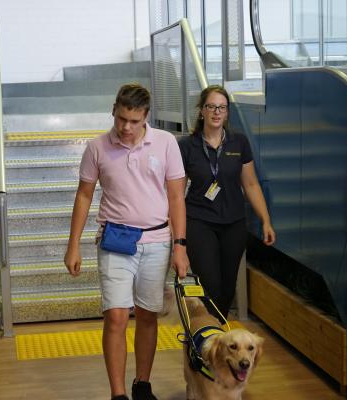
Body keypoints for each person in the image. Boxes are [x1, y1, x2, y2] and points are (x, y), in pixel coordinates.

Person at [64, 83, 189, 400]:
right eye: (121, 119)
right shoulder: (97, 147)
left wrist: (180, 246)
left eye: (134, 121)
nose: (126, 127)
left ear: (146, 116)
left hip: (158, 240)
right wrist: (73, 244)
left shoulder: (165, 144)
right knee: (117, 316)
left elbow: (176, 197)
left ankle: (142, 384)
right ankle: (118, 394)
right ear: (114, 111)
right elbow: (84, 195)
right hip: (115, 240)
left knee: (147, 315)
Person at [178, 85, 275, 318]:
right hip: (199, 222)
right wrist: (177, 236)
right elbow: (176, 194)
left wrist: (266, 221)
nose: (216, 112)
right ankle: (205, 344)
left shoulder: (238, 143)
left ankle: (214, 341)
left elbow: (250, 184)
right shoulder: (186, 146)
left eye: (222, 107)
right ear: (202, 110)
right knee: (210, 285)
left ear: (227, 112)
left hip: (233, 223)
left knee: (227, 289)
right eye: (211, 106)